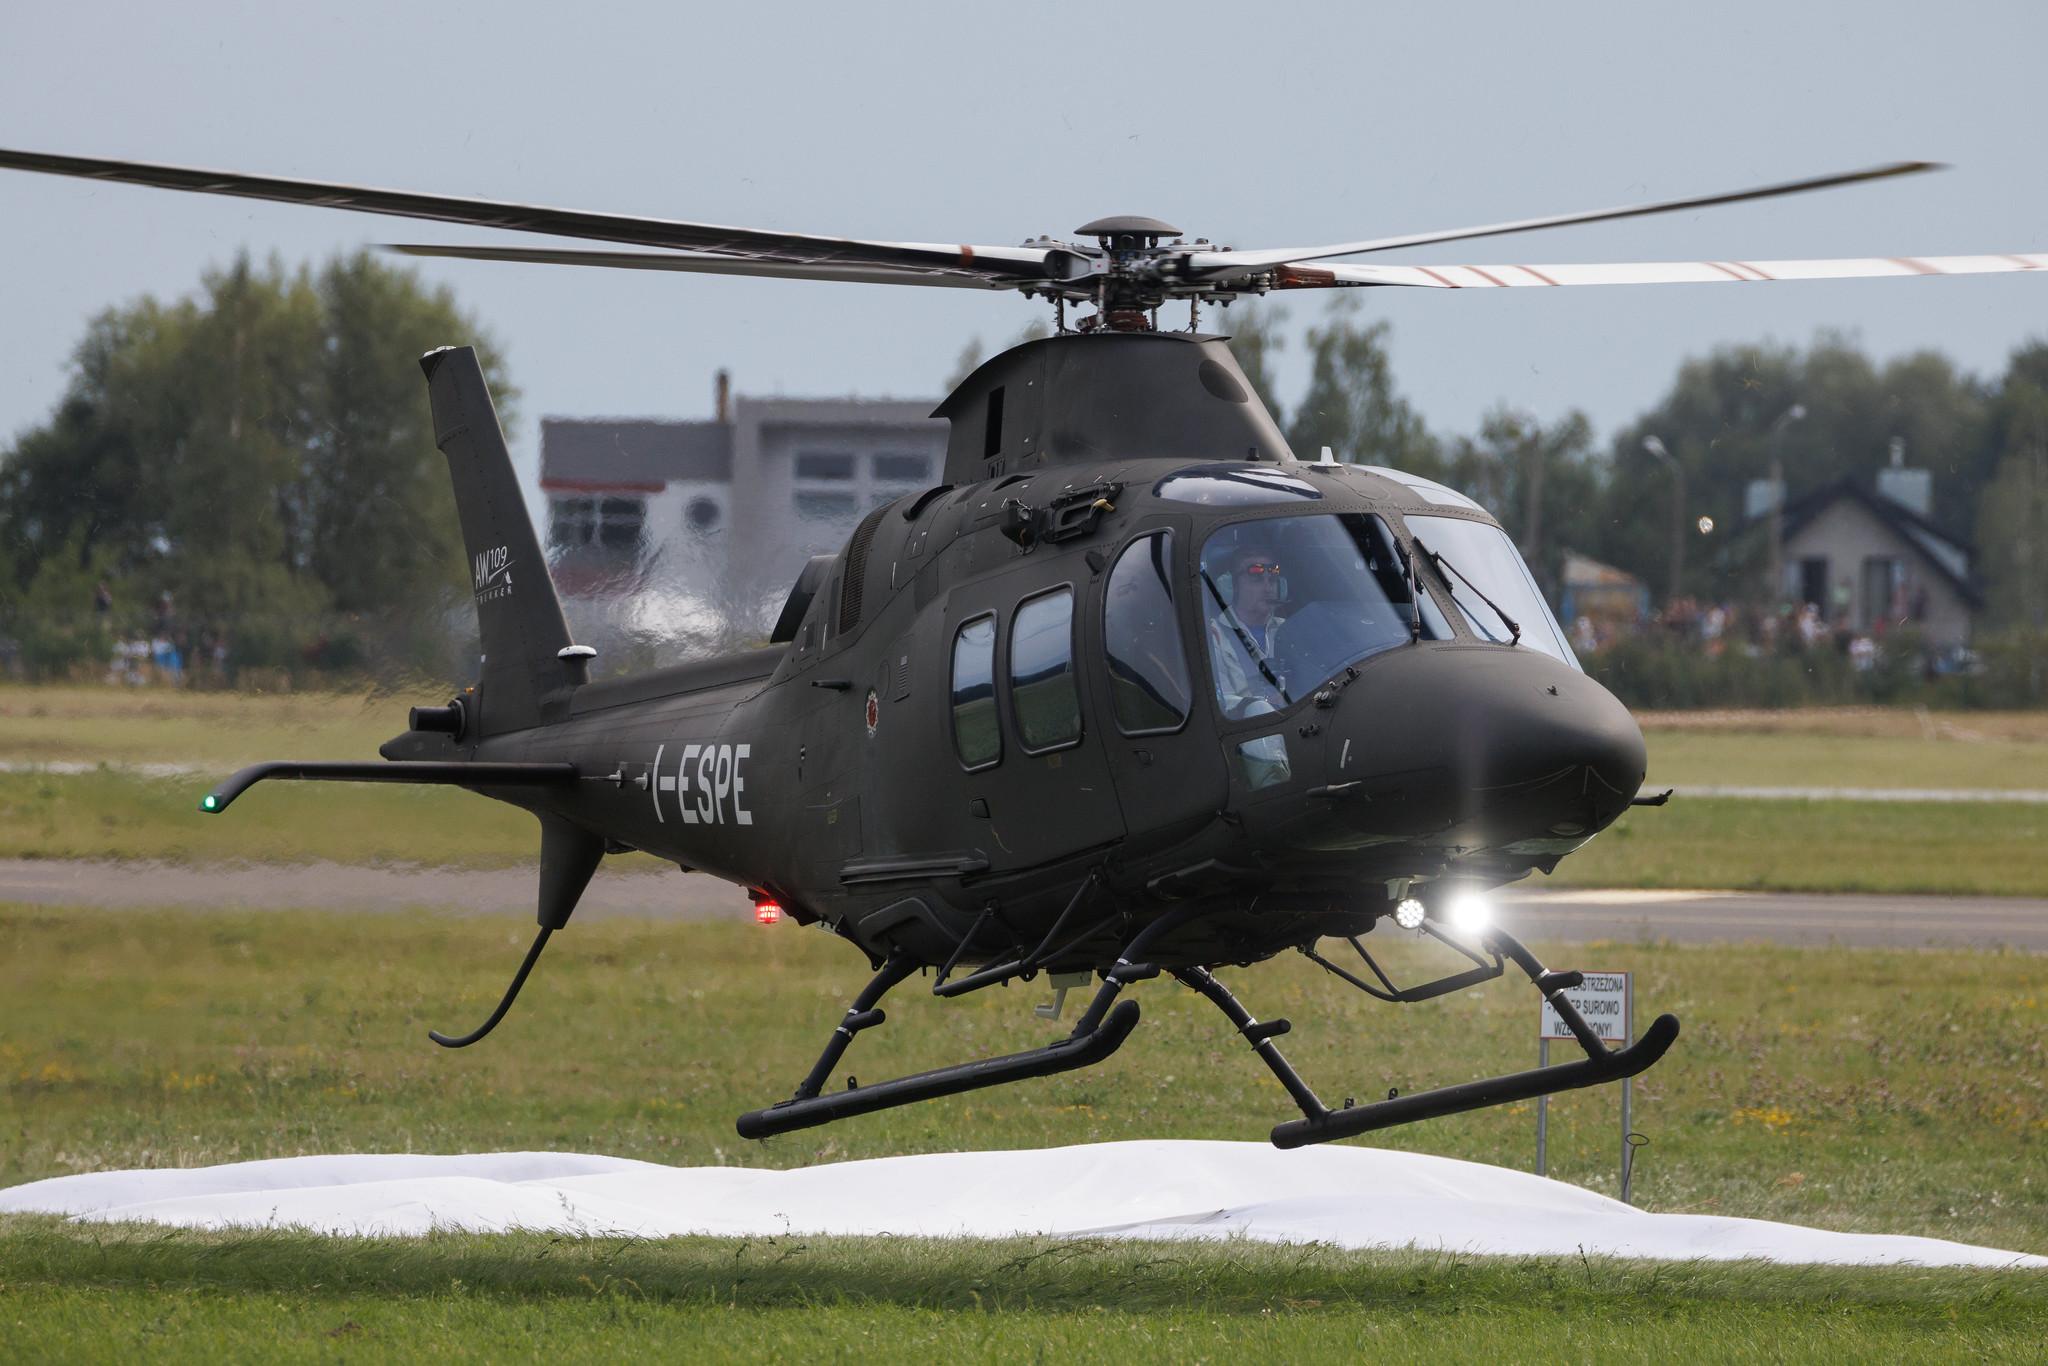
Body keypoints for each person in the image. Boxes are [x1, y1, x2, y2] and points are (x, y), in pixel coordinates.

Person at [1204, 542, 1289, 717]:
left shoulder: (1291, 630)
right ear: (1231, 585)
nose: (1268, 588)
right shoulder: (1213, 636)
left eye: (1272, 580)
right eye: (1257, 579)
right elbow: (1220, 704)